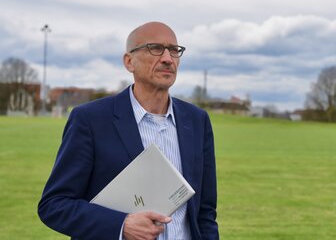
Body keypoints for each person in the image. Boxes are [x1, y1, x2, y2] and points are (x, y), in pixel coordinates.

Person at [38, 22, 219, 240]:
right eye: (155, 48)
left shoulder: (197, 121)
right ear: (129, 61)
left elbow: (205, 212)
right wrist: (121, 225)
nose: (167, 58)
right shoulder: (90, 120)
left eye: (174, 50)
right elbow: (54, 205)